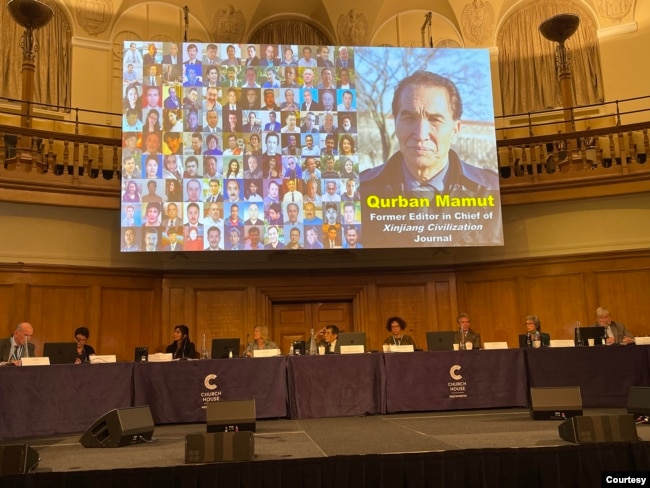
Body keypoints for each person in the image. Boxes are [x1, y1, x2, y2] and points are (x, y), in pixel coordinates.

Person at [359, 70, 501, 245]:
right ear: (395, 123)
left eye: (434, 119)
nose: (420, 134)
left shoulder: (492, 192)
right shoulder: (357, 192)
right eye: (409, 118)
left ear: (455, 130)